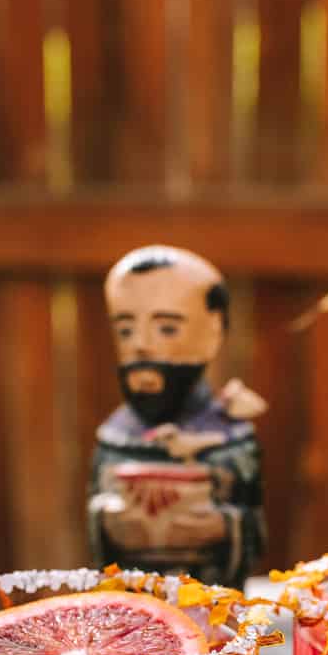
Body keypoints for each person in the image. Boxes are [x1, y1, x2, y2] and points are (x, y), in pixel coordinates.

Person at [88, 244, 266, 586]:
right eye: (125, 330)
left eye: (167, 329)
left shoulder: (232, 438)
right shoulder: (114, 435)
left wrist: (224, 527)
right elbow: (96, 528)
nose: (140, 344)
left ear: (213, 332)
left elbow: (254, 531)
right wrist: (106, 522)